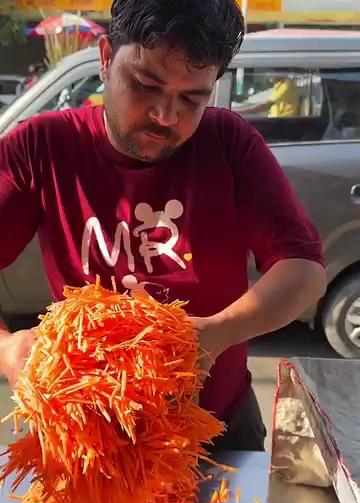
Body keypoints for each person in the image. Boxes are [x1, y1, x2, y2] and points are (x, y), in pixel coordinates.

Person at [0, 0, 326, 451]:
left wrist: (215, 334)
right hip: (88, 432)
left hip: (214, 424)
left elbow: (304, 269)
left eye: (192, 98)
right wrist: (6, 348)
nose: (166, 116)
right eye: (144, 84)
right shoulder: (41, 148)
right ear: (105, 57)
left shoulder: (229, 144)